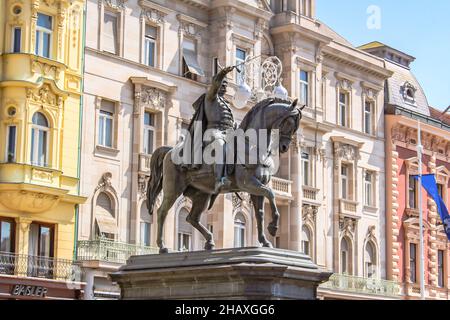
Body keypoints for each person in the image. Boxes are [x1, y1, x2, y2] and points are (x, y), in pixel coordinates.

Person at [184, 66, 237, 194]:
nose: (224, 87)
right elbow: (215, 85)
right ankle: (219, 179)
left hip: (227, 132)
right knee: (220, 144)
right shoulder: (211, 97)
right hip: (213, 132)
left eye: (226, 85)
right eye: (222, 84)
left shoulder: (226, 103)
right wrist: (223, 73)